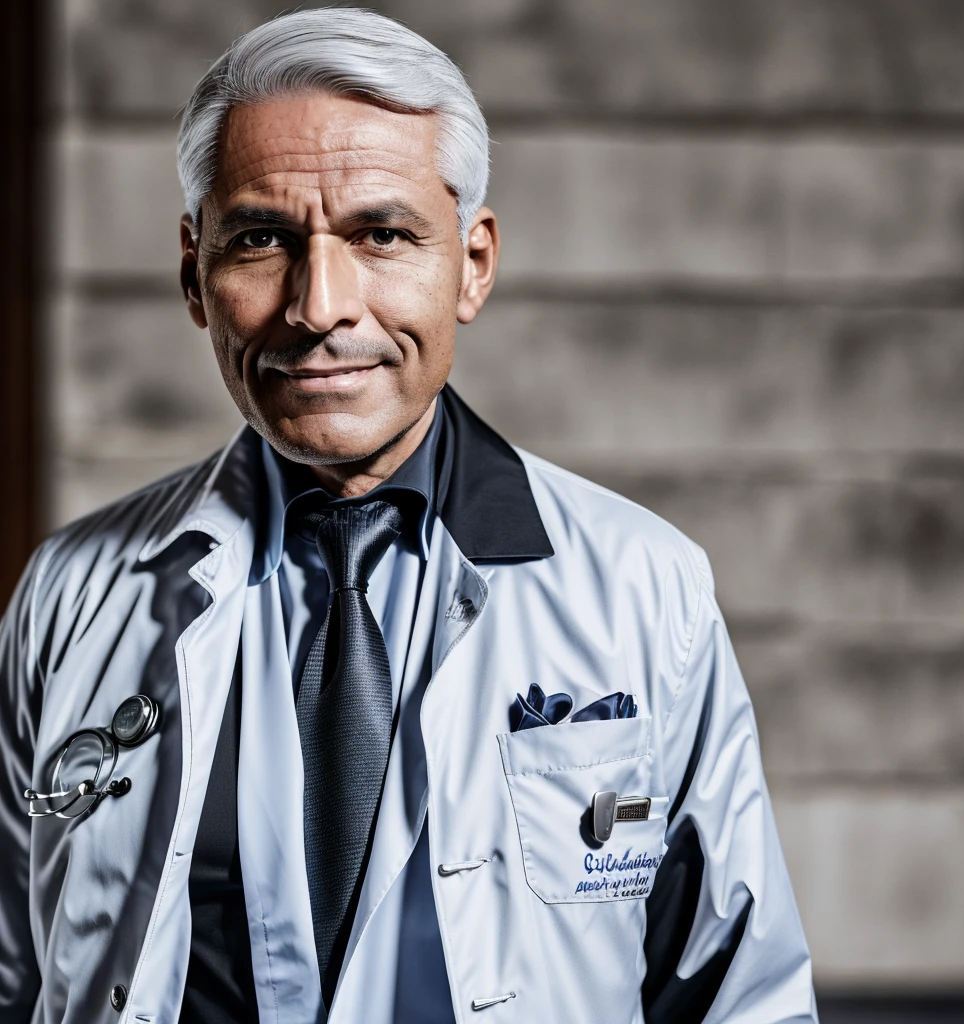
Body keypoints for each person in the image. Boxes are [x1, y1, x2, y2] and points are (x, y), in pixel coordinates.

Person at [0, 8, 817, 1023]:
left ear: (470, 265)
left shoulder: (644, 586)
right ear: (192, 273)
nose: (319, 306)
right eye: (260, 238)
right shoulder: (72, 594)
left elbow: (743, 996)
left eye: (382, 235)